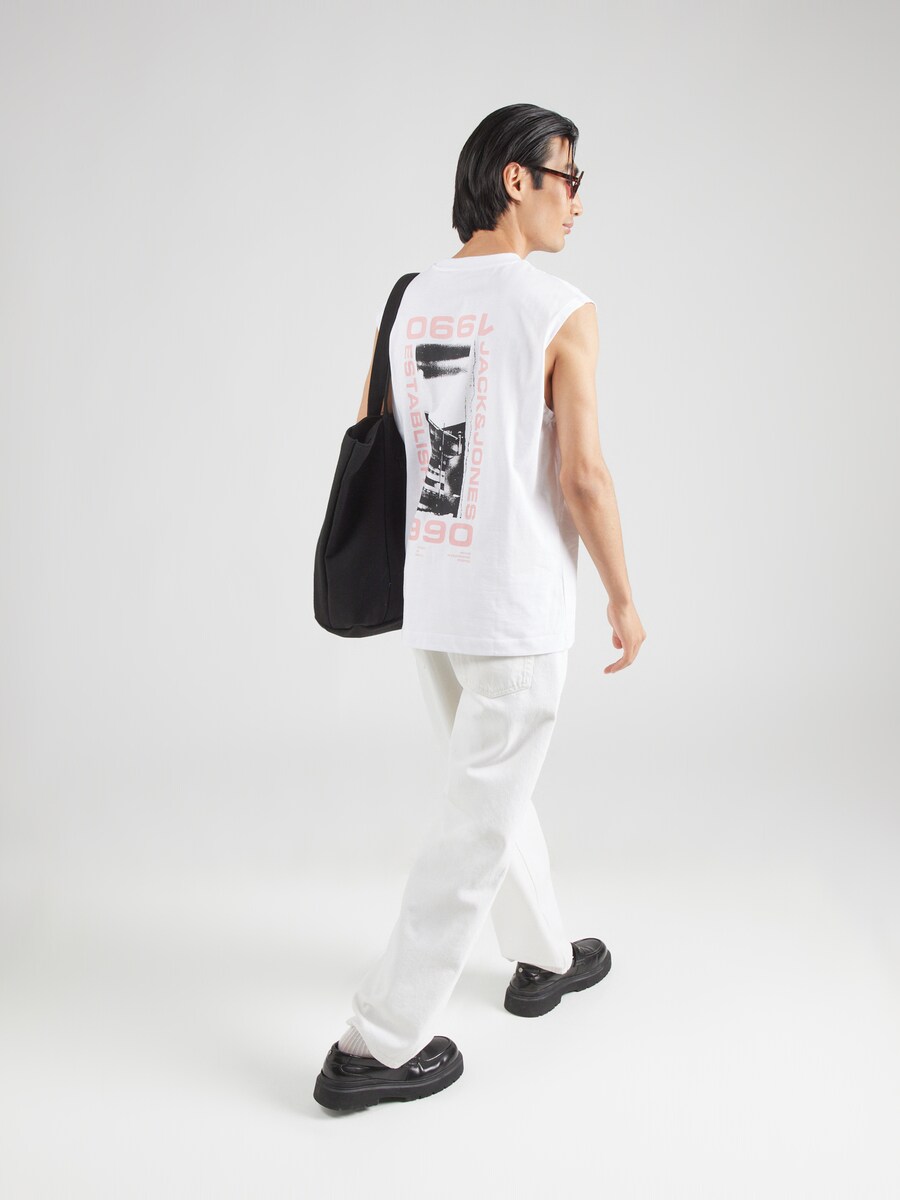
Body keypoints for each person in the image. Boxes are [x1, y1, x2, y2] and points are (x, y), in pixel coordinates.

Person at [313, 102, 646, 1112]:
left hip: (433, 595)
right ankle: (376, 1044)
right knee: (473, 820)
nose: (576, 201)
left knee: (490, 793)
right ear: (516, 179)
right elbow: (583, 475)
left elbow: (374, 427)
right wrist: (624, 595)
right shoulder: (560, 307)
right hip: (513, 604)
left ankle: (543, 956)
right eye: (568, 178)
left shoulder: (410, 298)